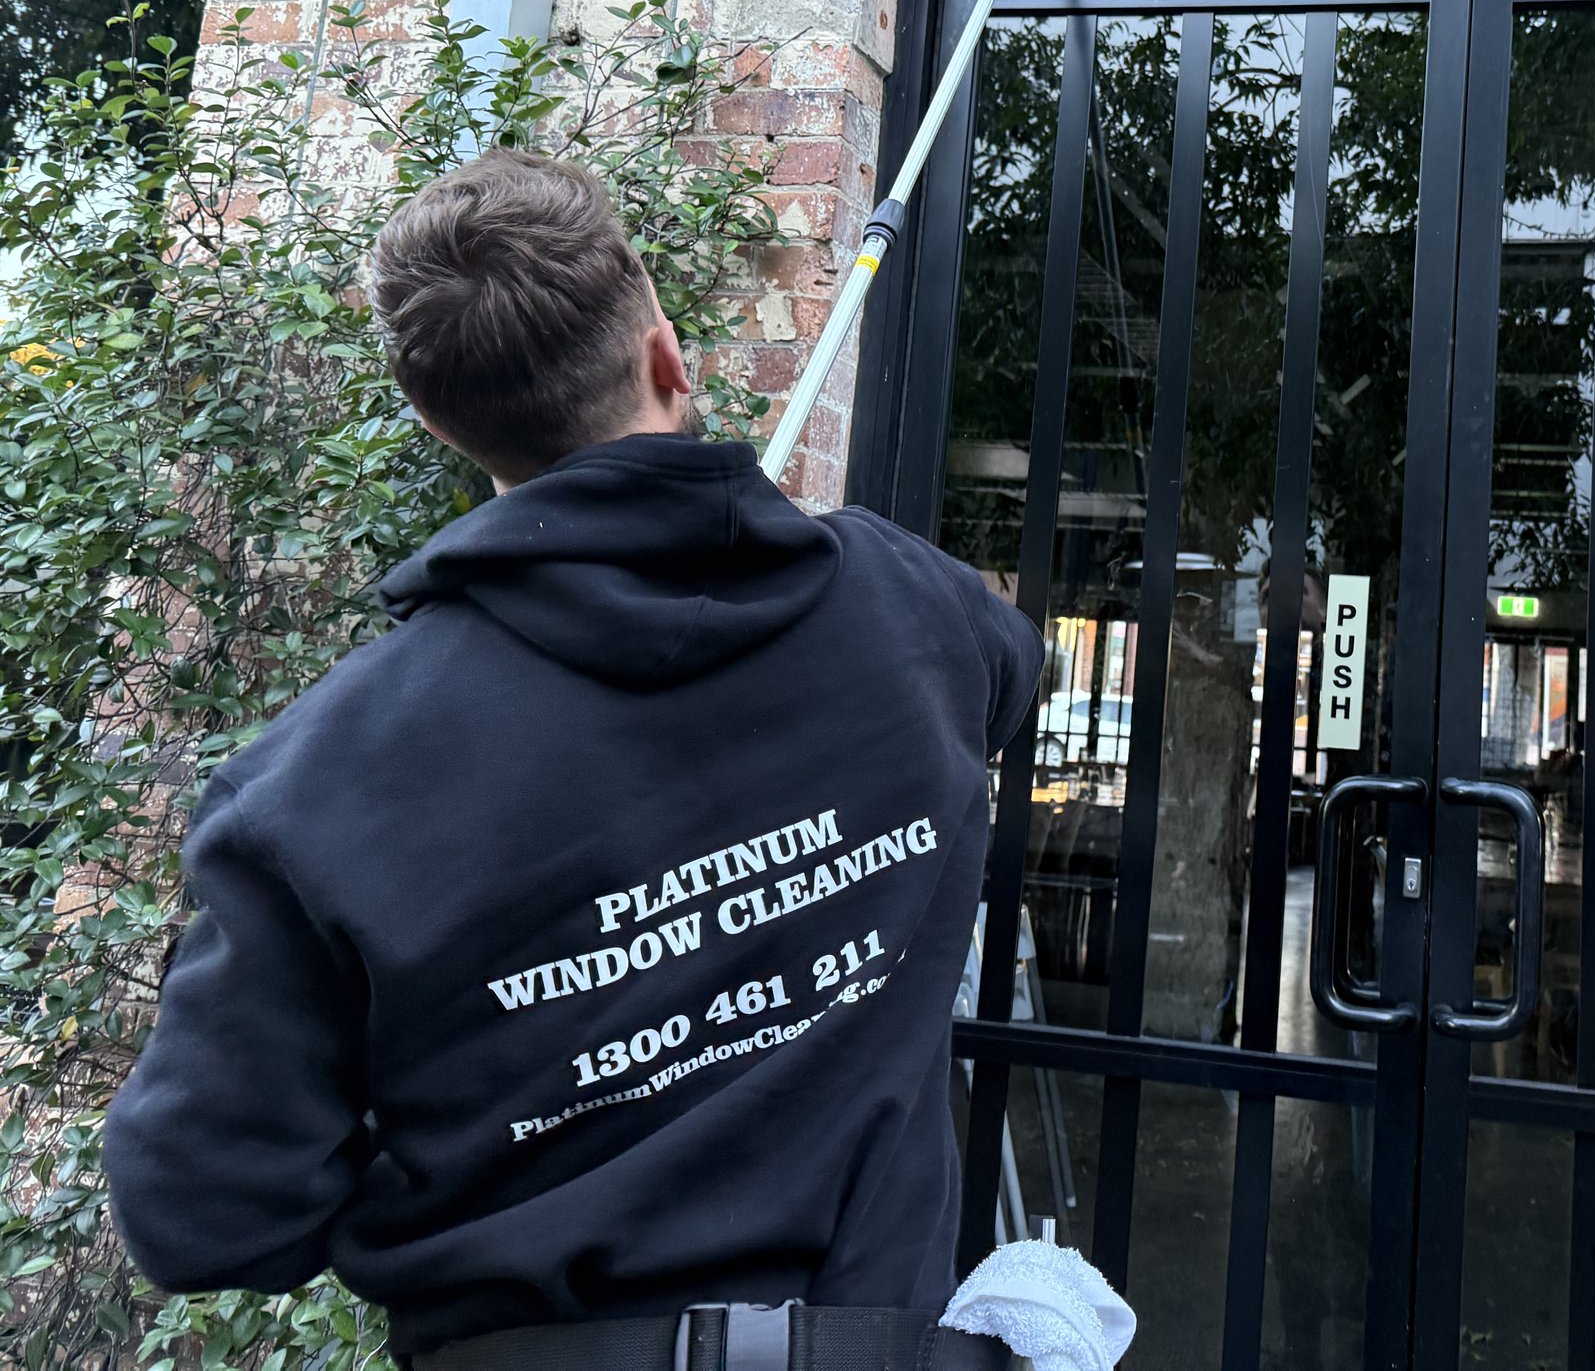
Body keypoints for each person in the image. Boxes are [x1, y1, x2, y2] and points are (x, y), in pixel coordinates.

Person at [104, 150, 1044, 1371]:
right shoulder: (914, 610)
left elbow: (205, 1215)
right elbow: (1010, 677)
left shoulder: (316, 788)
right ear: (669, 359)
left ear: (438, 424)